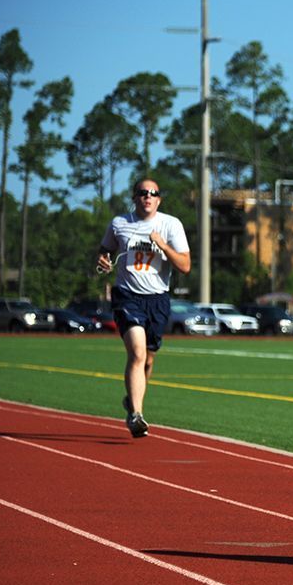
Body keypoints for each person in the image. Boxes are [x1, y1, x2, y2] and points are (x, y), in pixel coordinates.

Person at [97, 178, 191, 438]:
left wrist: (163, 245)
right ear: (134, 197)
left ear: (159, 199)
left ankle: (132, 400)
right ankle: (136, 415)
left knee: (148, 359)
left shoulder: (171, 224)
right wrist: (103, 260)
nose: (147, 196)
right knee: (137, 354)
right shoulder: (120, 224)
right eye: (142, 193)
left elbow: (184, 265)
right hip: (128, 296)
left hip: (158, 299)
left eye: (153, 193)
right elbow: (105, 250)